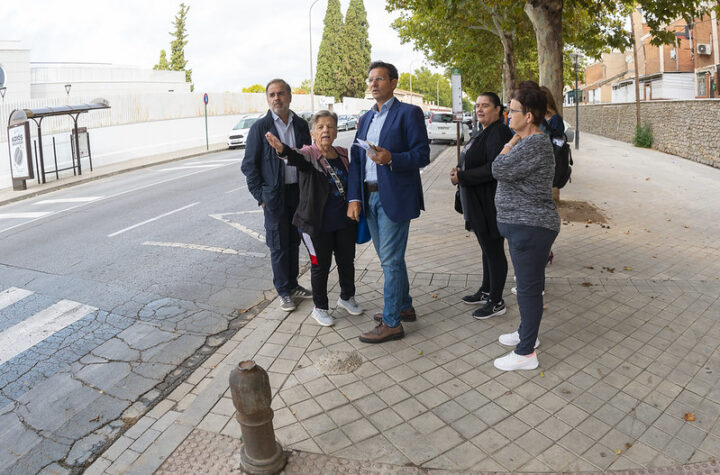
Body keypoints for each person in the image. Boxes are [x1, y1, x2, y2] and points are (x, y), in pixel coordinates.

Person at [347, 60, 430, 343]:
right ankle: (404, 307)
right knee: (389, 259)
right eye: (371, 79)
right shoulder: (365, 119)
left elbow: (422, 155)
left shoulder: (409, 113)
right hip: (367, 195)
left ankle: (392, 322)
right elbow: (356, 158)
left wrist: (391, 158)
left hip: (394, 196)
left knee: (391, 261)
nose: (373, 84)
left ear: (394, 83)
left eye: (380, 79)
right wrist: (354, 197)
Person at [264, 110, 363, 327]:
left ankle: (347, 297)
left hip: (344, 222)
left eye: (330, 126)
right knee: (320, 266)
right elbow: (296, 157)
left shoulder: (343, 154)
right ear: (313, 133)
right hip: (315, 225)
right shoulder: (310, 153)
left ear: (336, 132)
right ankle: (320, 308)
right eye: (320, 127)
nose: (325, 130)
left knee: (347, 262)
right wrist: (283, 150)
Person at [491, 85, 560, 371]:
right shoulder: (529, 142)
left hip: (531, 227)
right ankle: (525, 334)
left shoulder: (534, 145)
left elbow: (499, 168)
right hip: (525, 226)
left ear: (529, 116)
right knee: (530, 286)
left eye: (513, 110)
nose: (508, 115)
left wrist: (508, 145)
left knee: (528, 290)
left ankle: (525, 353)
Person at [241, 79, 312, 312]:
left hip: (298, 193)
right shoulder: (260, 129)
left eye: (280, 93)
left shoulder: (301, 125)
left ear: (290, 96)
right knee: (278, 244)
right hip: (275, 196)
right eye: (271, 94)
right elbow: (249, 167)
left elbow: (307, 158)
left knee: (294, 240)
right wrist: (260, 196)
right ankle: (283, 291)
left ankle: (293, 285)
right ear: (267, 99)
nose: (276, 98)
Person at [450, 92, 512, 320]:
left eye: (485, 105)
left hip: (490, 204)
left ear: (498, 109)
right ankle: (486, 290)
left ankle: (496, 301)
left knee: (494, 251)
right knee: (486, 250)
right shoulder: (483, 131)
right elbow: (470, 158)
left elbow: (493, 168)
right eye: (477, 106)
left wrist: (463, 177)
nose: (480, 109)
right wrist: (457, 172)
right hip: (477, 203)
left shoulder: (499, 133)